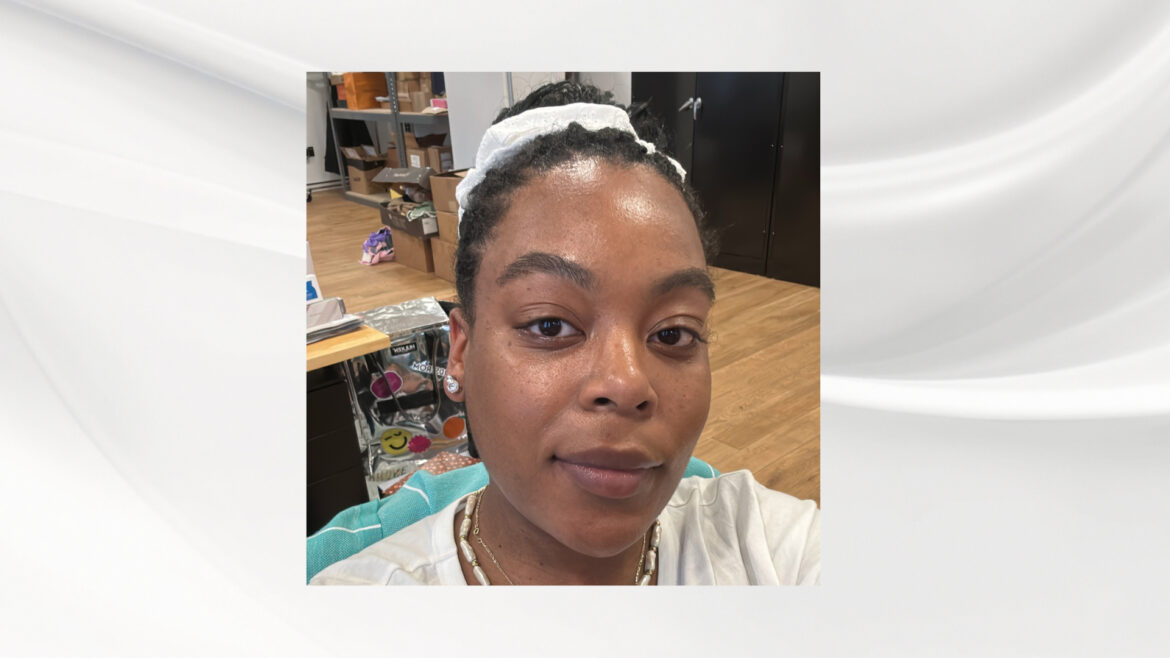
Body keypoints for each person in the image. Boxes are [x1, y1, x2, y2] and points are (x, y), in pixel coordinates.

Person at [310, 82, 820, 586]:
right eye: (549, 325)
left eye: (672, 334)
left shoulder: (769, 550)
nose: (627, 384)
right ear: (460, 350)